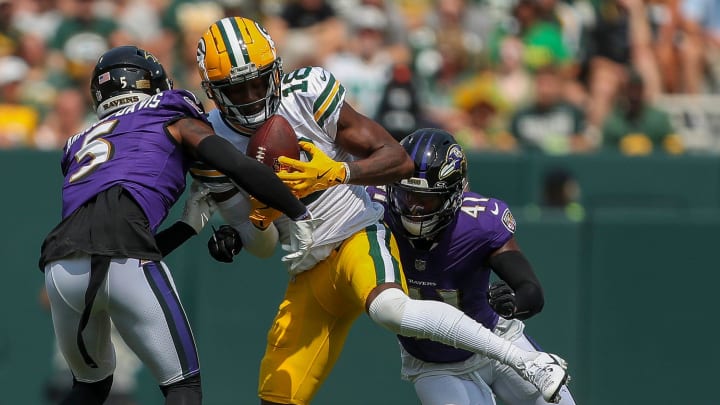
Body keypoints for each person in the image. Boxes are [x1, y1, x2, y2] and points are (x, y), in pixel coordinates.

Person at [194, 16, 569, 405]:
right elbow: (265, 246)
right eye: (238, 90)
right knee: (277, 395)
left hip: (355, 230)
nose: (254, 96)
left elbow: (399, 160)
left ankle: (527, 363)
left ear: (276, 70)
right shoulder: (210, 142)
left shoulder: (305, 94)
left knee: (390, 309)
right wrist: (254, 218)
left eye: (259, 81)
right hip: (307, 264)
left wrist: (340, 172)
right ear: (213, 91)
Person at [38, 45, 317, 405]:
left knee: (89, 386)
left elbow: (110, 245)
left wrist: (186, 227)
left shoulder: (78, 143)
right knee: (182, 387)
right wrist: (297, 212)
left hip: (61, 266)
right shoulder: (169, 111)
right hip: (124, 255)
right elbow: (237, 165)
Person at [366, 128, 576, 405]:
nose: (414, 209)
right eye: (407, 196)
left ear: (453, 196)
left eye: (427, 199)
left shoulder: (479, 223)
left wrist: (514, 302)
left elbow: (531, 291)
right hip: (435, 364)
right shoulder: (374, 210)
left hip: (496, 341)